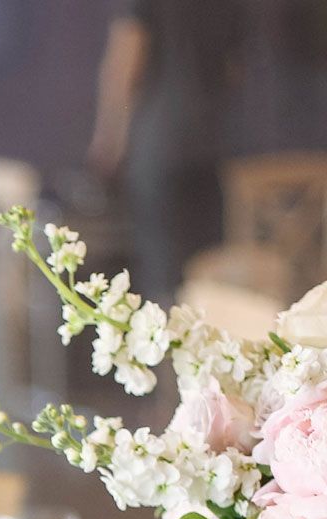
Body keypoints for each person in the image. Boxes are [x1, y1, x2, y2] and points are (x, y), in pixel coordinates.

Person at [86, 0, 247, 301]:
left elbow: (125, 63)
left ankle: (168, 345)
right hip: (214, 139)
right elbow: (234, 69)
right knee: (210, 270)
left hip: (159, 143)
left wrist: (108, 137)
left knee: (163, 273)